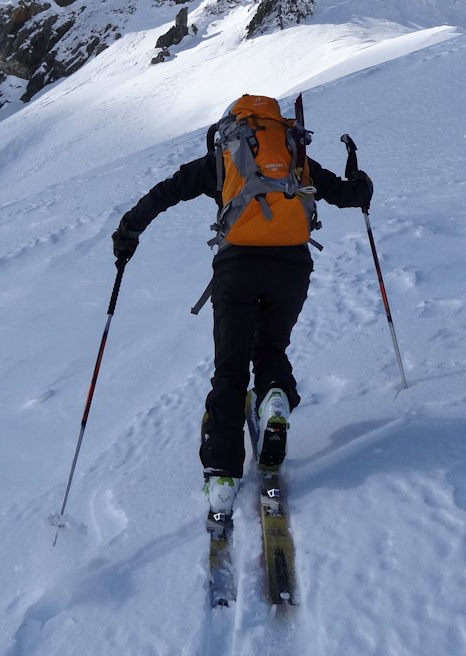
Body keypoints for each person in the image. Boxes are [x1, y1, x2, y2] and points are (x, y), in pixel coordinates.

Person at [112, 95, 372, 516]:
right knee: (270, 349)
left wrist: (129, 230)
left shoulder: (224, 156)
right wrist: (360, 180)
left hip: (237, 268)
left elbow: (167, 192)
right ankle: (273, 398)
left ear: (233, 124)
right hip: (292, 266)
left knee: (229, 371)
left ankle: (222, 476)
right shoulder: (294, 152)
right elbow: (349, 195)